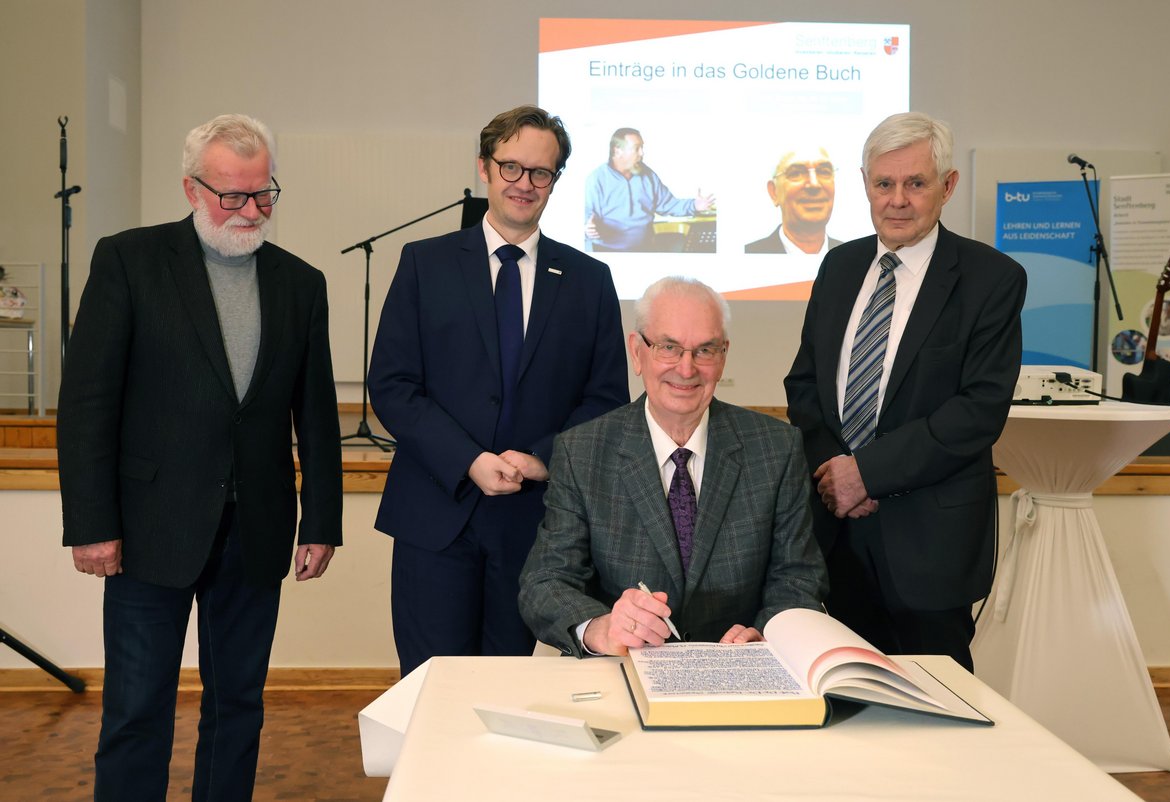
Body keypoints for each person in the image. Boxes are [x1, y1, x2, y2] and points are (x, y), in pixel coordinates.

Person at [58, 113, 342, 801]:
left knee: (238, 706)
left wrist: (323, 520)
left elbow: (318, 412)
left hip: (258, 530)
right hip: (148, 527)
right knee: (135, 710)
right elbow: (87, 401)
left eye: (263, 194)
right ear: (191, 189)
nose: (250, 211)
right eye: (232, 196)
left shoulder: (300, 284)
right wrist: (90, 522)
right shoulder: (128, 260)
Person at [368, 105, 629, 675]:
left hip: (537, 526)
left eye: (541, 172)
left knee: (508, 692)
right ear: (483, 168)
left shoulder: (589, 281)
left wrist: (540, 459)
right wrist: (468, 460)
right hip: (436, 513)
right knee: (431, 689)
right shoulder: (424, 264)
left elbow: (605, 400)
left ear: (556, 181)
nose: (525, 184)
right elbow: (391, 385)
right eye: (511, 167)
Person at [783, 112, 1026, 672]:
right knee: (844, 702)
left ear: (947, 186)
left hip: (930, 545)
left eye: (915, 183)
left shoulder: (991, 279)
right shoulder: (840, 266)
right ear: (865, 183)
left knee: (941, 714)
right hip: (836, 534)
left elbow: (978, 411)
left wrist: (867, 472)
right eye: (882, 184)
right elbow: (804, 383)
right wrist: (833, 470)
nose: (897, 200)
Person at [520, 277, 827, 656]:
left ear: (724, 355)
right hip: (625, 669)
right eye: (669, 347)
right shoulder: (582, 451)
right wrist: (601, 629)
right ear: (637, 352)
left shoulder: (776, 448)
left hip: (739, 673)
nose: (686, 369)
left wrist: (766, 634)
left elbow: (798, 577)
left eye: (705, 350)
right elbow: (545, 581)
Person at [584, 127, 715, 252]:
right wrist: (588, 228)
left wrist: (694, 205)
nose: (642, 153)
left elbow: (668, 204)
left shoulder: (648, 176)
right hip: (606, 252)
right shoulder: (596, 179)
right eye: (637, 148)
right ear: (617, 150)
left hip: (645, 250)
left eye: (642, 147)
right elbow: (585, 217)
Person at [745, 145, 843, 255]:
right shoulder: (750, 253)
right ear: (774, 192)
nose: (814, 184)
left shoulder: (852, 257)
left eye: (824, 171)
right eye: (796, 173)